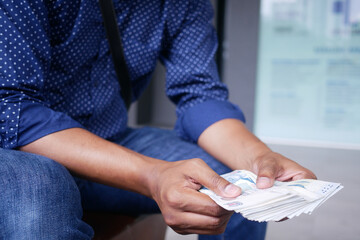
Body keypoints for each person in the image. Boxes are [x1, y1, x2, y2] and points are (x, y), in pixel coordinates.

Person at [0, 0, 316, 239]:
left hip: (110, 138)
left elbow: (200, 95)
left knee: (238, 184)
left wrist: (259, 158)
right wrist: (152, 175)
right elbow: (12, 109)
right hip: (18, 151)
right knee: (39, 203)